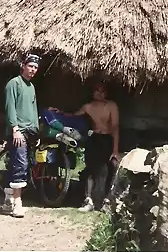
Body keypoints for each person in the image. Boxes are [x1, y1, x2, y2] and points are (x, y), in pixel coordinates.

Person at [51, 81, 119, 212]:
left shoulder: (111, 106)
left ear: (107, 92)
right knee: (90, 168)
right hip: (94, 138)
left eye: (102, 91)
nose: (99, 94)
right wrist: (59, 112)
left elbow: (115, 127)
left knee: (111, 166)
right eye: (97, 90)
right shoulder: (88, 107)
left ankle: (107, 200)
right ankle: (88, 200)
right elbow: (72, 116)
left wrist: (115, 149)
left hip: (107, 138)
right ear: (93, 92)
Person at [1, 54, 41, 218]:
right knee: (20, 165)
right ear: (23, 66)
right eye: (30, 66)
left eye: (35, 67)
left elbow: (34, 110)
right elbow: (10, 107)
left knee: (18, 165)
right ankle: (18, 204)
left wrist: (36, 131)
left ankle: (8, 201)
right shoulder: (14, 84)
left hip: (29, 131)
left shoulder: (31, 87)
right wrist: (15, 129)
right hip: (18, 131)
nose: (33, 70)